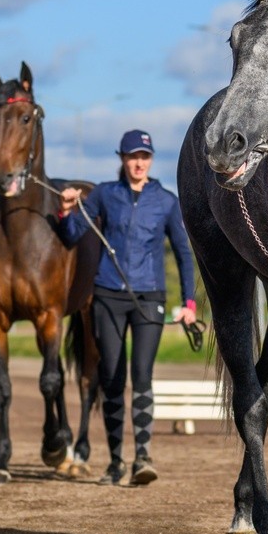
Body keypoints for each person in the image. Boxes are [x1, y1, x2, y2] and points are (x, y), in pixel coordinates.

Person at [57, 129, 197, 487]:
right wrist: (67, 208)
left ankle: (143, 458)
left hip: (149, 298)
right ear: (122, 158)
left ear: (150, 161)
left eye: (144, 157)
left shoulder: (166, 201)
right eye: (133, 156)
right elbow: (72, 234)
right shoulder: (105, 194)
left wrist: (189, 302)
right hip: (108, 296)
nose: (138, 162)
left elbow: (183, 253)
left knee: (143, 376)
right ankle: (116, 461)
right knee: (113, 378)